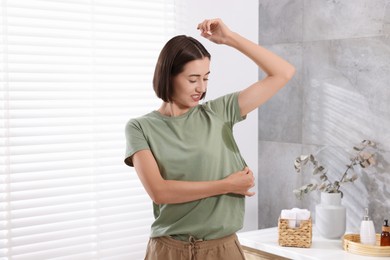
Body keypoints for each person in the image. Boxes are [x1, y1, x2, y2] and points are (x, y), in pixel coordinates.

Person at [124, 18, 295, 260]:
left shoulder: (219, 112)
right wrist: (227, 185)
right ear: (168, 76)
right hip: (167, 251)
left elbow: (283, 73)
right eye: (193, 79)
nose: (201, 88)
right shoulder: (140, 127)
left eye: (206, 78)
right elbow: (160, 192)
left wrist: (230, 38)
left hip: (222, 250)